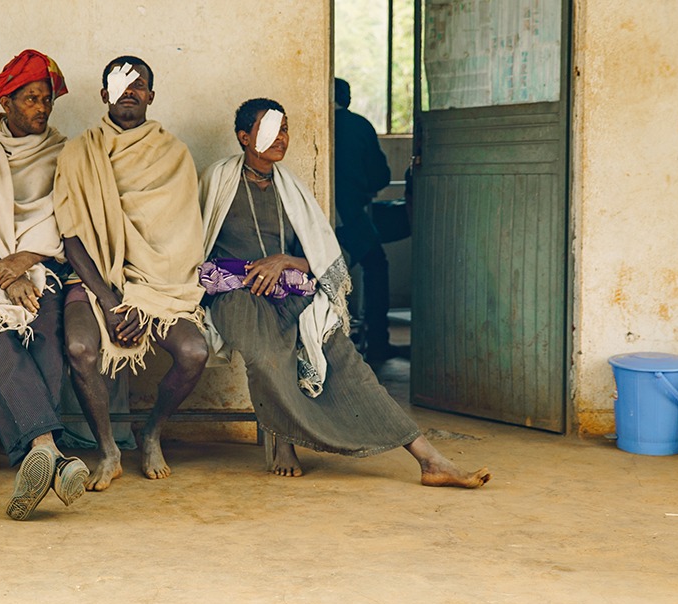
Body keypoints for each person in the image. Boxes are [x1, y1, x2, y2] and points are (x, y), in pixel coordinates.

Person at [199, 98, 489, 487]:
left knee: (348, 362)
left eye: (285, 128)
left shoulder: (293, 189)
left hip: (289, 295)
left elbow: (321, 258)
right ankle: (285, 441)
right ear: (244, 136)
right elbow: (194, 245)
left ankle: (430, 459)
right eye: (270, 129)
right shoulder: (216, 181)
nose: (281, 137)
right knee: (267, 359)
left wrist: (285, 260)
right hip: (237, 296)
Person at [0, 49, 88, 520]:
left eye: (46, 99)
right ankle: (50, 448)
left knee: (45, 334)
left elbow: (67, 217)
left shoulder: (66, 152)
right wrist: (3, 268)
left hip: (39, 264)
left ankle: (36, 456)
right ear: (4, 102)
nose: (41, 107)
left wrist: (25, 260)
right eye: (30, 98)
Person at [54, 55, 209, 490]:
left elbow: (180, 241)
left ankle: (152, 431)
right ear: (104, 95)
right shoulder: (79, 152)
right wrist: (111, 299)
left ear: (151, 96)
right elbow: (70, 236)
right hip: (96, 280)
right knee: (80, 347)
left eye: (138, 84)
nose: (129, 91)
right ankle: (108, 450)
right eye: (120, 85)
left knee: (194, 352)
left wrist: (141, 299)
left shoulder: (174, 154)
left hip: (158, 287)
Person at [333, 77, 397, 362]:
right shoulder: (358, 126)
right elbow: (380, 175)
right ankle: (378, 340)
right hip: (352, 217)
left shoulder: (307, 122)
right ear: (346, 99)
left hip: (317, 217)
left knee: (326, 278)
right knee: (376, 267)